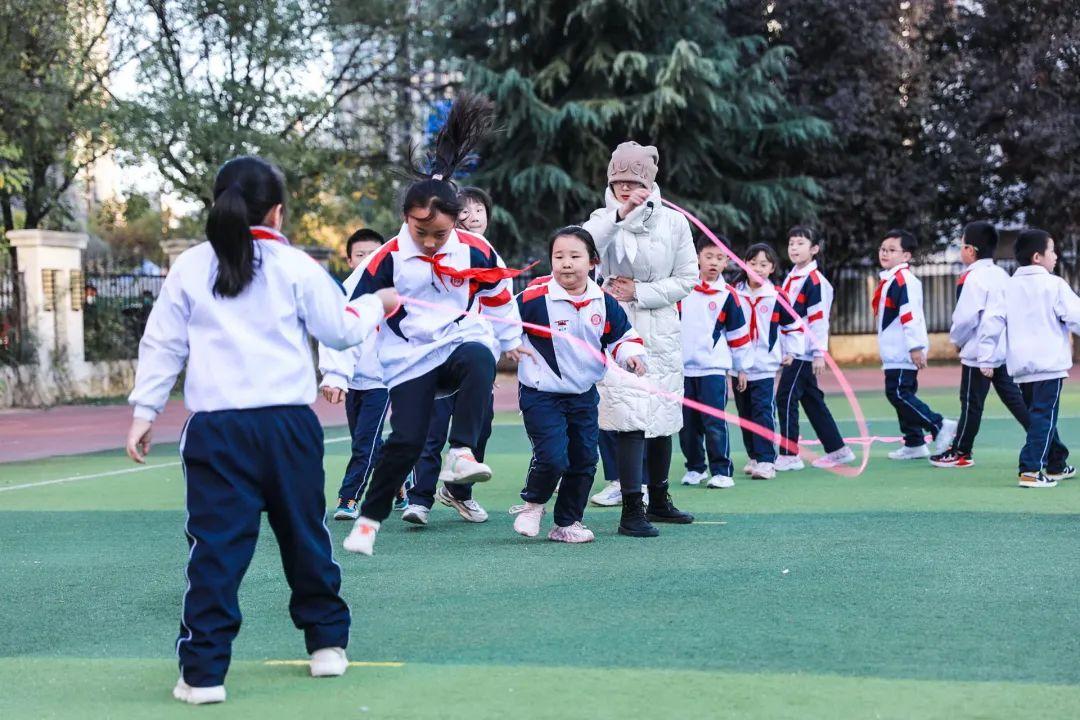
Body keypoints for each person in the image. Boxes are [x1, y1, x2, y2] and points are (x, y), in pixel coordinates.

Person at [125, 156, 398, 704]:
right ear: (277, 211)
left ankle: (203, 675)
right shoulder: (294, 265)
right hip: (288, 427)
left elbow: (162, 343)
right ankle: (326, 648)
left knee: (216, 548)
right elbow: (340, 333)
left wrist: (144, 410)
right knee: (304, 533)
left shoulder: (191, 266)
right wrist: (378, 304)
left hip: (216, 431)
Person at [342, 93, 533, 555]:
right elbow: (349, 313)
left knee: (478, 353)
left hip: (454, 342)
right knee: (405, 441)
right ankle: (368, 520)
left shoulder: (475, 249)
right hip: (408, 359)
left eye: (439, 234)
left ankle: (463, 453)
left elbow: (497, 295)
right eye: (418, 231)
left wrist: (511, 338)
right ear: (405, 219)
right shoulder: (386, 257)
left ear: (455, 224)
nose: (428, 241)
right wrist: (335, 370)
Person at [582, 141, 697, 537]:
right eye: (620, 183)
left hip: (661, 327)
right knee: (629, 415)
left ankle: (660, 498)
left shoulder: (674, 223)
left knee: (663, 417)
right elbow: (581, 246)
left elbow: (688, 278)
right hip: (617, 327)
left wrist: (641, 292)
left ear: (650, 182)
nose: (628, 191)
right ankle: (632, 507)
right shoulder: (603, 218)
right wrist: (618, 215)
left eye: (635, 183)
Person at [510, 226, 647, 542]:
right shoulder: (533, 297)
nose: (566, 264)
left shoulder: (603, 301)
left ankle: (567, 523)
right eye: (559, 257)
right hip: (540, 394)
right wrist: (506, 344)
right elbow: (500, 324)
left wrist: (631, 355)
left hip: (584, 395)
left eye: (574, 256)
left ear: (593, 262)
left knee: (585, 459)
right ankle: (533, 503)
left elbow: (623, 336)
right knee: (553, 457)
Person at [402, 187, 497, 526]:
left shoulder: (487, 256)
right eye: (464, 212)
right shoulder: (432, 255)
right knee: (433, 428)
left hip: (477, 361)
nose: (472, 217)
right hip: (438, 356)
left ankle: (461, 494)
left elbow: (503, 307)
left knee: (479, 429)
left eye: (479, 210)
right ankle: (420, 498)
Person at [976, 228, 1080, 488]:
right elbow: (1076, 316)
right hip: (1049, 367)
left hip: (1021, 368)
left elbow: (991, 323)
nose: (1055, 256)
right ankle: (1031, 469)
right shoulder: (1054, 285)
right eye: (1052, 251)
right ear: (1037, 257)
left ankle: (1056, 463)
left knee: (1040, 417)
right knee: (1044, 417)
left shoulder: (1008, 287)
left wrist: (987, 359)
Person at [930, 221, 1030, 468]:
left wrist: (957, 340)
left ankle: (961, 451)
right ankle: (1049, 443)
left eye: (961, 245)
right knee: (1016, 402)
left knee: (971, 403)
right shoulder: (1001, 275)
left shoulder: (973, 278)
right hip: (1001, 350)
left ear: (971, 250)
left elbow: (965, 318)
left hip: (977, 352)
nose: (960, 250)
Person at [318, 229, 393, 520]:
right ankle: (400, 480)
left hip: (380, 383)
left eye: (374, 254)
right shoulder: (345, 295)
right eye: (361, 255)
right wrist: (336, 375)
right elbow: (335, 334)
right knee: (366, 441)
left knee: (364, 443)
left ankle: (349, 498)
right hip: (353, 383)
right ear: (350, 260)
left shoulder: (390, 296)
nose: (368, 260)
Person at [775, 227, 855, 471]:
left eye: (800, 243)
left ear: (814, 249)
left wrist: (819, 353)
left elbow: (819, 320)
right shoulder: (793, 277)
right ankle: (838, 450)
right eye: (791, 243)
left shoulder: (815, 281)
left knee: (785, 397)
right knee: (812, 400)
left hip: (804, 351)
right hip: (794, 348)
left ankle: (789, 454)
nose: (794, 248)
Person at [873, 229, 957, 460]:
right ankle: (914, 442)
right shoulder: (891, 280)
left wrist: (915, 347)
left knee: (898, 393)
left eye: (892, 250)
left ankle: (938, 424)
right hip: (893, 350)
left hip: (903, 350)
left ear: (906, 256)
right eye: (883, 249)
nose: (885, 253)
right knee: (903, 392)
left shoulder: (903, 281)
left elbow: (910, 316)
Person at [678, 236, 752, 489]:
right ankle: (695, 467)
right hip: (683, 369)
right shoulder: (682, 289)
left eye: (720, 258)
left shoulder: (728, 295)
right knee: (686, 423)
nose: (713, 262)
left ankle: (721, 470)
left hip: (713, 368)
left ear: (727, 261)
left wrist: (741, 368)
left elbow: (738, 335)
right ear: (698, 256)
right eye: (708, 256)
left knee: (714, 422)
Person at [731, 243, 804, 480]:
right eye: (752, 263)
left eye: (764, 264)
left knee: (762, 410)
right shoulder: (733, 293)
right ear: (744, 263)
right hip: (738, 364)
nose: (757, 269)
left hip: (764, 364)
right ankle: (753, 455)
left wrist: (792, 351)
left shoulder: (777, 296)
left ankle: (766, 460)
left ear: (772, 268)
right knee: (744, 411)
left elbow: (793, 326)